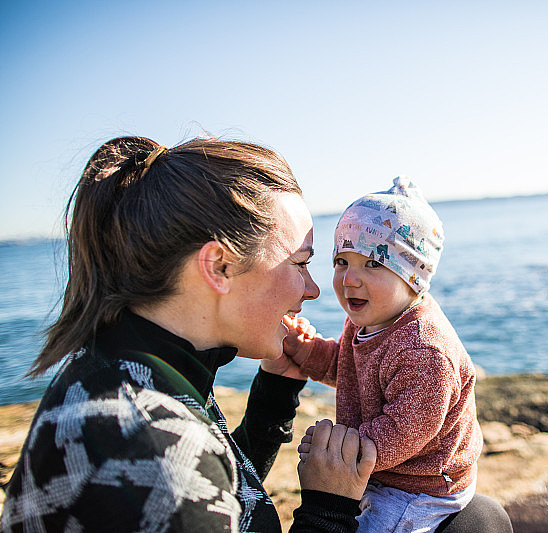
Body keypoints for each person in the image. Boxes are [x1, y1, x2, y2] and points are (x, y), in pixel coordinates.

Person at [0, 136, 377, 533]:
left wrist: (272, 399)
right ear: (218, 267)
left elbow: (219, 492)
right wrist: (328, 509)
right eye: (299, 263)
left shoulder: (122, 365)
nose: (313, 289)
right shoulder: (148, 448)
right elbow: (181, 492)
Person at [283, 177, 485, 533]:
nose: (350, 279)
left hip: (421, 485)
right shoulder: (369, 318)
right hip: (382, 467)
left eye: (373, 264)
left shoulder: (424, 350)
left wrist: (338, 453)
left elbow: (403, 430)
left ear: (413, 276)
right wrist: (307, 350)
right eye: (342, 261)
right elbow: (347, 368)